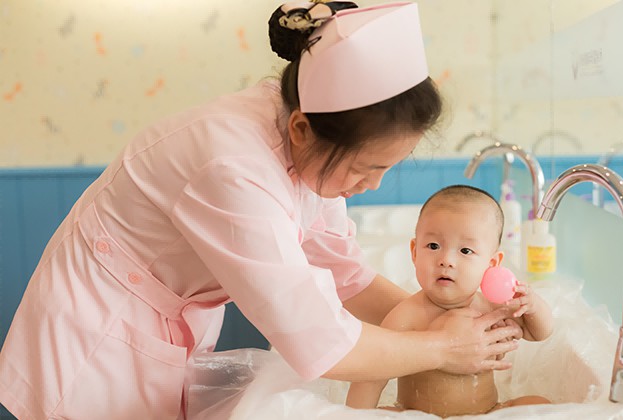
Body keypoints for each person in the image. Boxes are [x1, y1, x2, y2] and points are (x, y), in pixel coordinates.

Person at [0, 2, 523, 419]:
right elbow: (323, 343)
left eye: (388, 167)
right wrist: (443, 348)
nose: (372, 185)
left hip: (164, 318)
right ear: (301, 130)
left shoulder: (314, 142)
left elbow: (346, 275)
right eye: (365, 168)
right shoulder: (231, 166)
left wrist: (442, 314)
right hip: (97, 329)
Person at [346, 185, 554, 417]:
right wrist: (355, 416)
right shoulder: (407, 315)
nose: (446, 260)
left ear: (492, 264)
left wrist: (532, 305)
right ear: (414, 252)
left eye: (465, 251)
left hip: (488, 412)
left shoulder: (492, 308)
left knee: (540, 404)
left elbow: (539, 333)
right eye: (433, 246)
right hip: (419, 415)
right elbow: (372, 376)